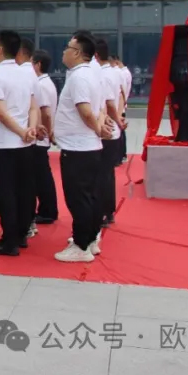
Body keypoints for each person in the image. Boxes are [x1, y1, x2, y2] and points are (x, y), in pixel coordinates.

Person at [53, 32, 107, 263]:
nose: (64, 51)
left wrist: (98, 129)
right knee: (89, 196)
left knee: (79, 199)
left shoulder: (80, 77)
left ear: (77, 53)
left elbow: (86, 111)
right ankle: (90, 238)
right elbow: (100, 108)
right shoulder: (90, 74)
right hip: (86, 147)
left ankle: (81, 245)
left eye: (67, 47)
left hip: (78, 148)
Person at [0, 30, 39, 256]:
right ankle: (21, 234)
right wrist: (30, 129)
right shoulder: (27, 73)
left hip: (3, 144)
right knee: (24, 191)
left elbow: (1, 113)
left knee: (5, 194)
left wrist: (23, 131)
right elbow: (33, 107)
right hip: (24, 144)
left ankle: (9, 241)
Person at [95, 38, 124, 227]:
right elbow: (120, 96)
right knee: (107, 173)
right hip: (112, 127)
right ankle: (108, 210)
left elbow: (109, 103)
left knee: (102, 174)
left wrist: (114, 120)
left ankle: (104, 212)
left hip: (106, 129)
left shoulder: (103, 75)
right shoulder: (114, 73)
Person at [31, 50, 59, 225]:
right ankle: (47, 209)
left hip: (40, 137)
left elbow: (46, 113)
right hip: (42, 135)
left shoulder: (41, 85)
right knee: (42, 175)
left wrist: (48, 132)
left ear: (38, 65)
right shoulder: (46, 83)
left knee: (41, 177)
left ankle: (47, 211)